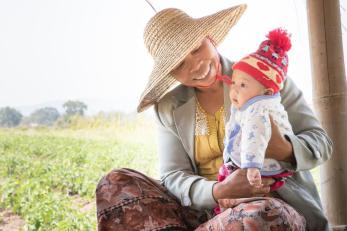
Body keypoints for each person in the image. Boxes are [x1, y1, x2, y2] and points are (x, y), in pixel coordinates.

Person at [96, 4, 333, 231]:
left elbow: (321, 142)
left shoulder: (265, 79)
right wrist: (219, 190)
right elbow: (174, 176)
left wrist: (282, 148)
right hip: (206, 211)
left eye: (196, 48)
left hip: (268, 205)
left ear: (210, 38)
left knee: (261, 216)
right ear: (170, 74)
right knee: (114, 183)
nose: (196, 66)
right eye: (179, 64)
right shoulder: (168, 107)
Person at [218, 28, 294, 191]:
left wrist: (252, 166)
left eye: (243, 85)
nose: (234, 90)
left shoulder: (258, 109)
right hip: (253, 164)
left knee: (240, 189)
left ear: (266, 92)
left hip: (258, 167)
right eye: (233, 83)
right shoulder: (249, 102)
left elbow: (256, 135)